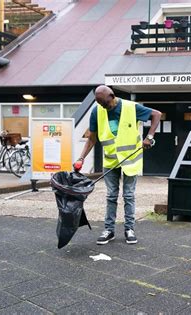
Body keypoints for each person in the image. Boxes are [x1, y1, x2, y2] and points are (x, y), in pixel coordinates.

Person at [73, 85, 161, 245]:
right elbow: (92, 139)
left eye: (106, 104)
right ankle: (109, 230)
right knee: (111, 196)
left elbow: (156, 114)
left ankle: (129, 229)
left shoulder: (130, 107)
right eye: (100, 105)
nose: (104, 107)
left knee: (128, 195)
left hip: (130, 159)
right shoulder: (97, 111)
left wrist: (150, 137)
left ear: (112, 96)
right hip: (111, 160)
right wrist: (81, 158)